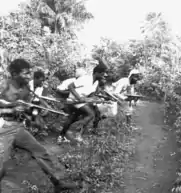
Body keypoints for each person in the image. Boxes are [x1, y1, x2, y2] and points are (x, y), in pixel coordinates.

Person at [0, 59, 79, 192]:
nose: (28, 76)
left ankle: (58, 182)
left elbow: (28, 109)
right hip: (3, 127)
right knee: (2, 164)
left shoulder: (26, 88)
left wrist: (37, 114)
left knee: (40, 151)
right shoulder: (4, 85)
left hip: (17, 127)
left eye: (29, 73)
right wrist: (11, 107)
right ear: (14, 73)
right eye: (25, 73)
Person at [59, 66, 106, 142]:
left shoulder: (96, 82)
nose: (103, 77)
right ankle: (78, 132)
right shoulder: (86, 79)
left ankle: (61, 136)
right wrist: (78, 98)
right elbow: (70, 86)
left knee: (73, 117)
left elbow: (91, 95)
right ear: (96, 73)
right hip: (73, 100)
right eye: (102, 74)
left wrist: (96, 99)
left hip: (82, 102)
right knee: (91, 114)